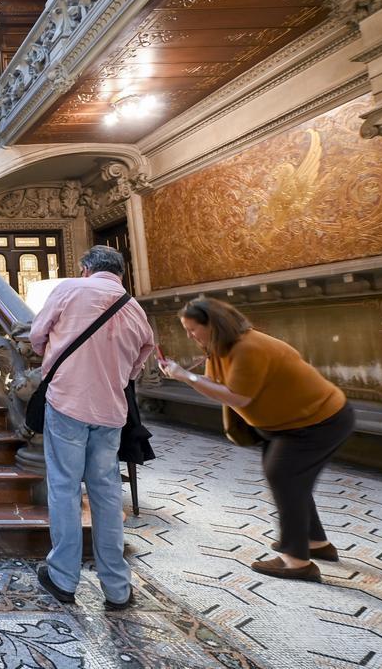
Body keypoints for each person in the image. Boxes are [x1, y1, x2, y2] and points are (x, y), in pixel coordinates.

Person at [160, 296, 355, 582]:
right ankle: (315, 543)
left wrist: (186, 377)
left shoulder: (248, 347)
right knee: (288, 478)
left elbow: (238, 396)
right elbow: (216, 387)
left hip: (320, 420)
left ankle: (297, 561)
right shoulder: (219, 348)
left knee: (284, 475)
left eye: (192, 329)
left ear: (212, 324)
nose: (189, 335)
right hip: (289, 425)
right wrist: (185, 377)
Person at [29, 245, 154, 610]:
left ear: (85, 268)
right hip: (110, 411)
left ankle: (63, 577)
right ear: (121, 273)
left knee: (65, 488)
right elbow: (137, 365)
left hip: (67, 401)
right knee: (107, 493)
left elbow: (38, 336)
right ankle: (117, 587)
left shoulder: (70, 290)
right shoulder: (134, 307)